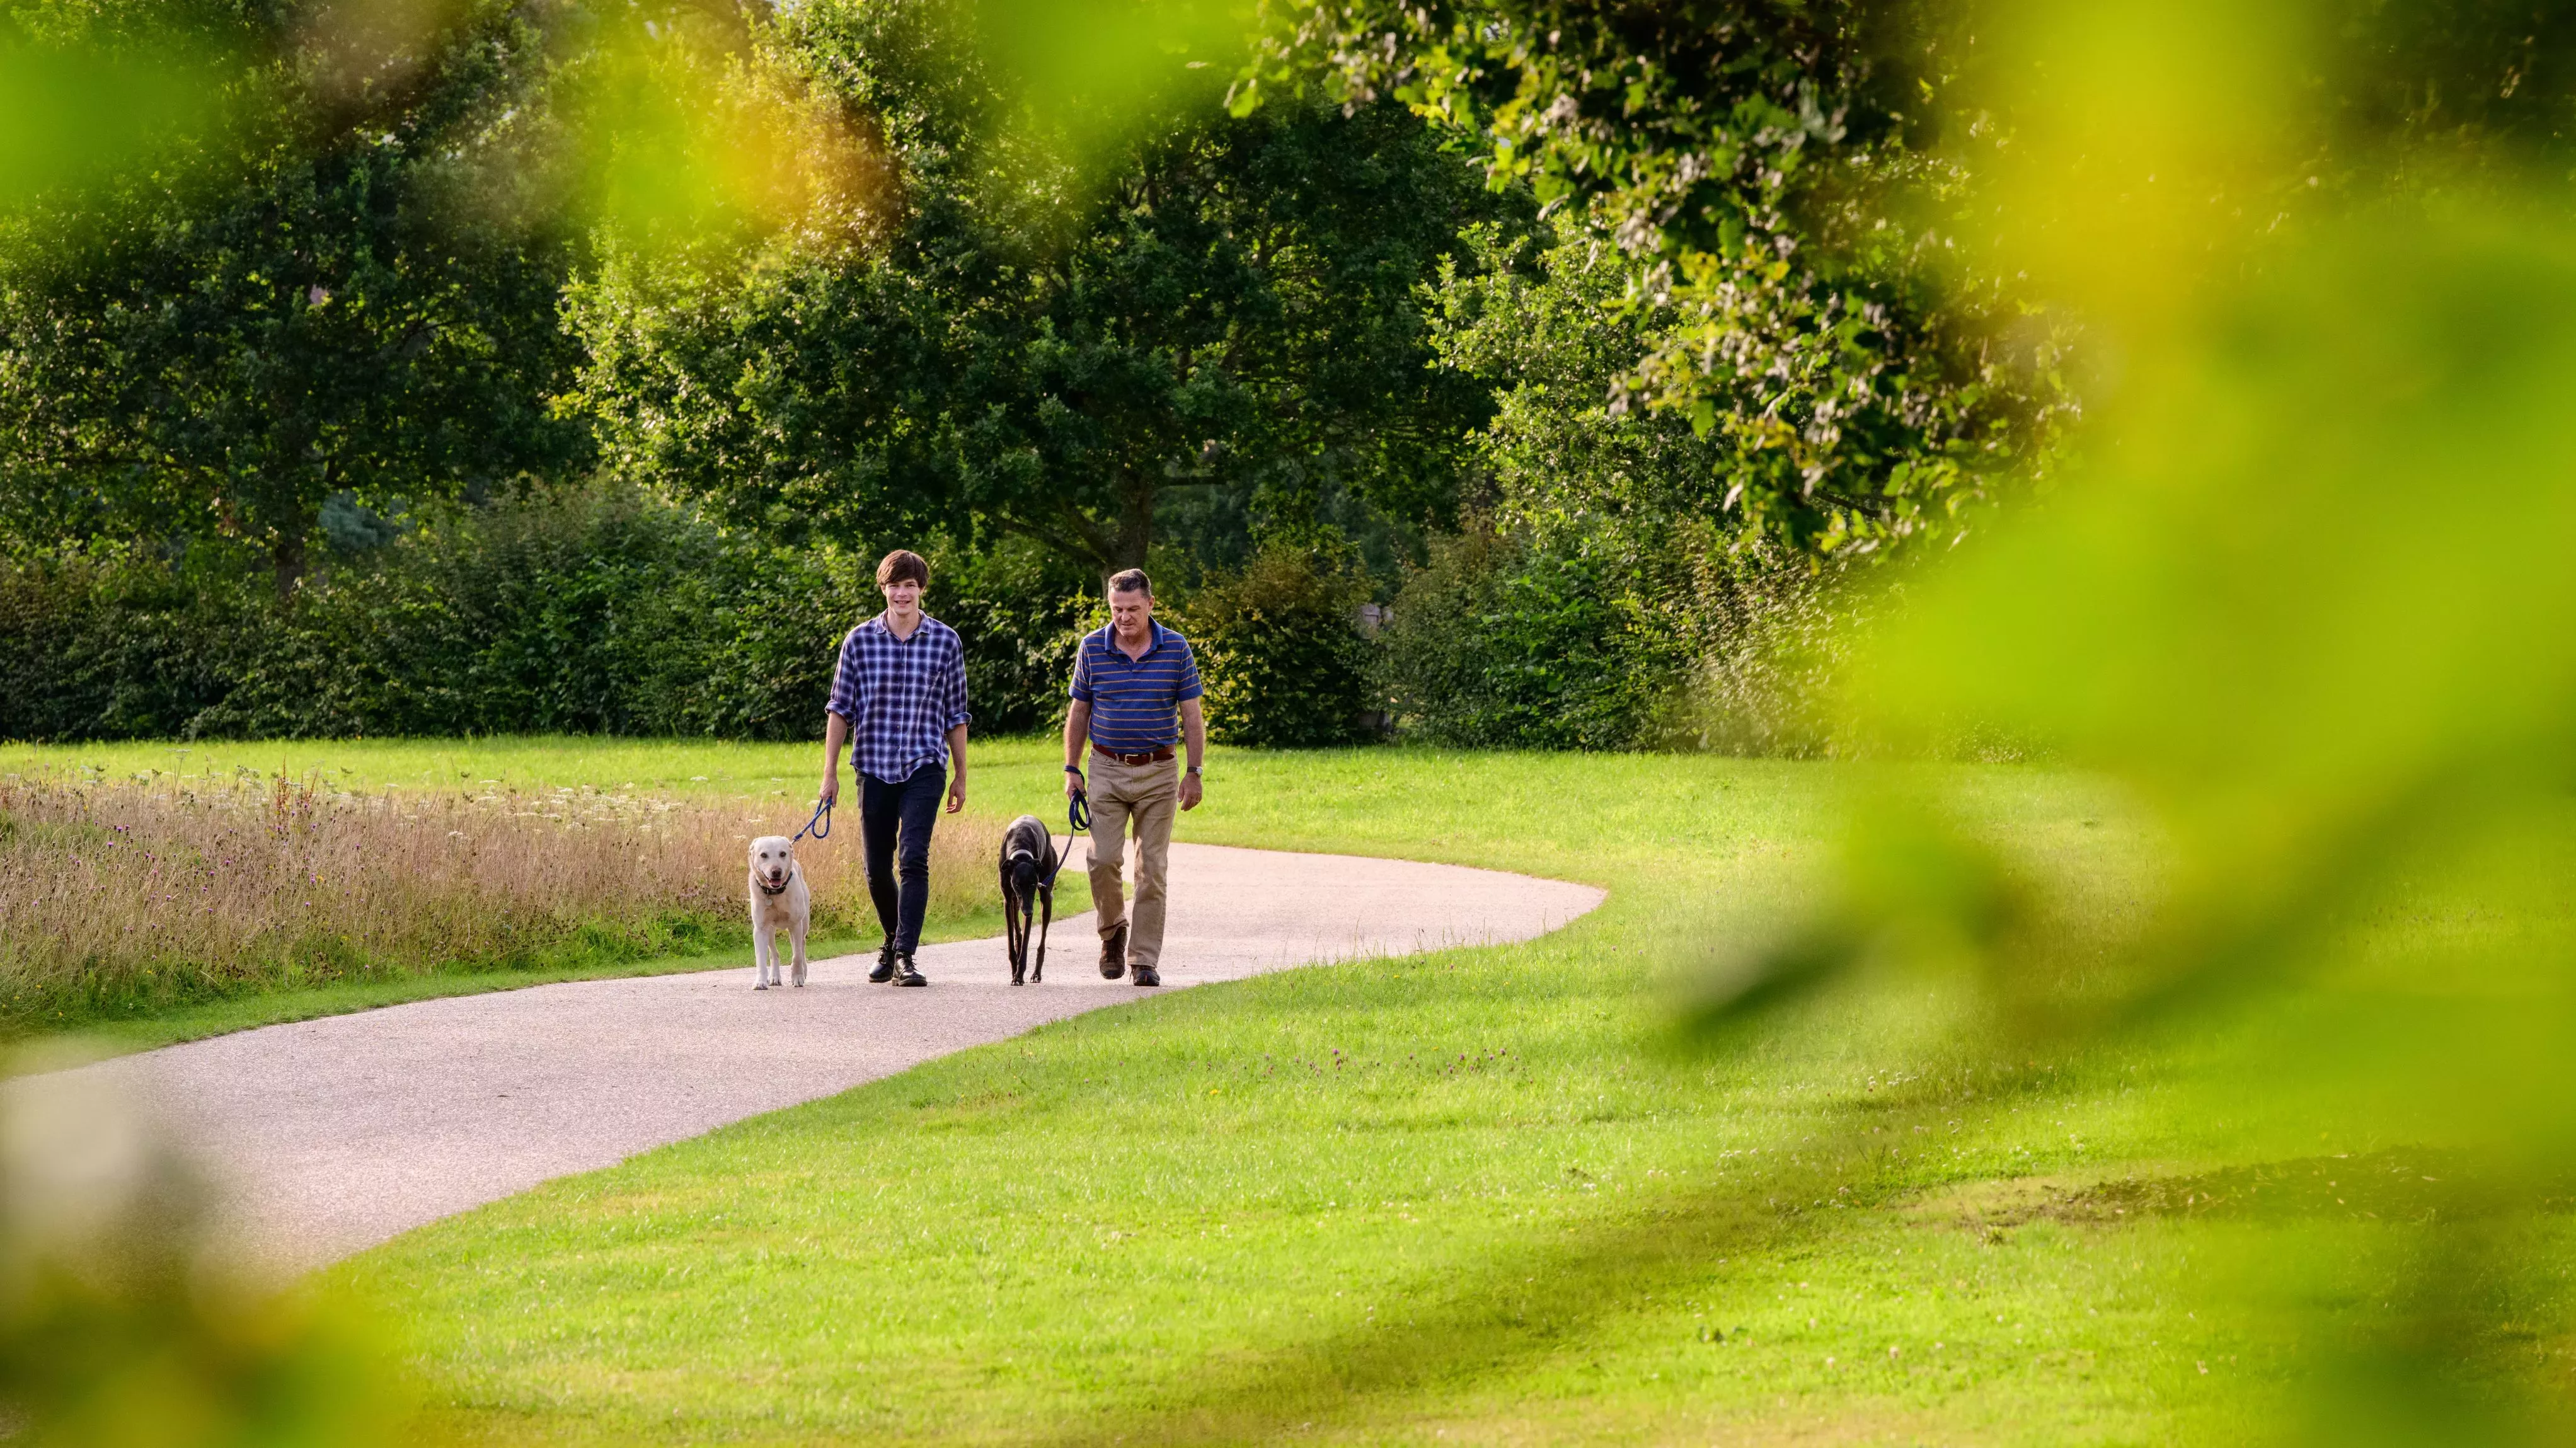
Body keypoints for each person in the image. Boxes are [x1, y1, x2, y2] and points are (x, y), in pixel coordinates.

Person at [820, 549, 969, 987]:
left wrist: (961, 774)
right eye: (894, 585)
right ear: (883, 588)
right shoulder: (859, 641)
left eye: (910, 585)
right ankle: (892, 939)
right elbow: (839, 710)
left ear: (922, 589)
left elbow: (956, 714)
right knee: (875, 868)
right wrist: (829, 773)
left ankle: (904, 956)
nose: (902, 593)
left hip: (925, 764)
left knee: (914, 860)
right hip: (873, 764)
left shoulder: (946, 642)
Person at [1062, 568, 1205, 988]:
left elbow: (1192, 718)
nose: (1124, 617)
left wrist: (1194, 773)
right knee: (1102, 860)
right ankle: (1112, 933)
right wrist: (1072, 769)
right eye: (1116, 609)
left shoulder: (1176, 649)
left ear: (1150, 605)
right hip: (1106, 767)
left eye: (1132, 609)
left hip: (1160, 771)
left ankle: (1143, 959)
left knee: (1152, 869)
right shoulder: (1092, 648)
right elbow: (1079, 713)